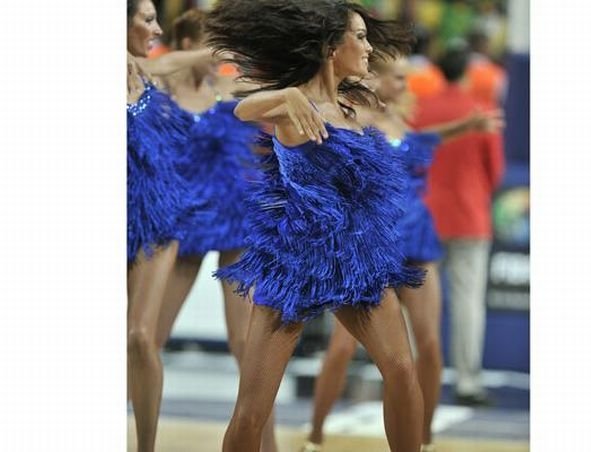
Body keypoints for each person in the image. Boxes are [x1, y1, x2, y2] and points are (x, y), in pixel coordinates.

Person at [205, 1, 425, 450]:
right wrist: (285, 95)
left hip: (356, 259)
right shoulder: (294, 105)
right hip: (293, 262)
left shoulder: (353, 106)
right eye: (359, 37)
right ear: (330, 47)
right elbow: (241, 109)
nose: (367, 47)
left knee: (402, 370)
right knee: (251, 412)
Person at [302, 57, 502, 452]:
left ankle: (422, 438)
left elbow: (425, 140)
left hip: (418, 241)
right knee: (341, 348)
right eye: (396, 78)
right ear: (372, 80)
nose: (405, 84)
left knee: (428, 344)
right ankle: (316, 434)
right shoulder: (354, 120)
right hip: (375, 245)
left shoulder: (402, 122)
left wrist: (466, 127)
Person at [151, 9, 280, 452]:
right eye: (208, 42)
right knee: (149, 338)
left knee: (247, 345)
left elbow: (273, 90)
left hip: (236, 220)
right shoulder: (163, 87)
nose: (220, 54)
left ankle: (270, 445)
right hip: (184, 223)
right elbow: (157, 64)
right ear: (187, 45)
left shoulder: (225, 86)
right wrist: (209, 50)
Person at [126, 1, 213, 451]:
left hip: (158, 220)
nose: (156, 27)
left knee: (142, 336)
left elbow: (186, 59)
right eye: (146, 19)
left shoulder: (149, 75)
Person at [412, 45, 505, 407]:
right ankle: (467, 383)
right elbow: (495, 172)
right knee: (468, 303)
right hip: (469, 218)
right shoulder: (481, 112)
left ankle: (415, 378)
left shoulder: (420, 110)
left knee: (419, 304)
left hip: (426, 219)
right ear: (467, 72)